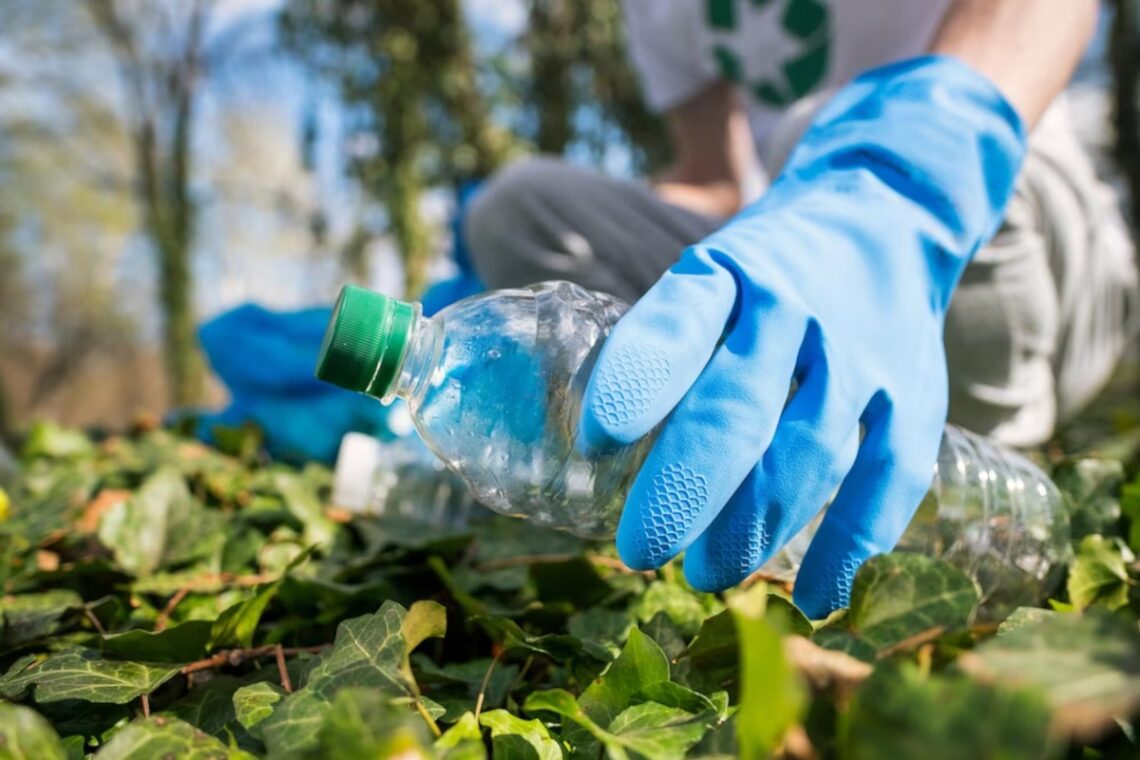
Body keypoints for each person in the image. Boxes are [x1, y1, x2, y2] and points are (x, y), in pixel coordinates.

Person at [463, 0, 1140, 617]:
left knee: (806, 129)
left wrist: (894, 188)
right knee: (519, 209)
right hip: (808, 246)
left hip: (1007, 222)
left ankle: (980, 451)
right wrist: (521, 323)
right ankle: (801, 436)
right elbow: (711, 182)